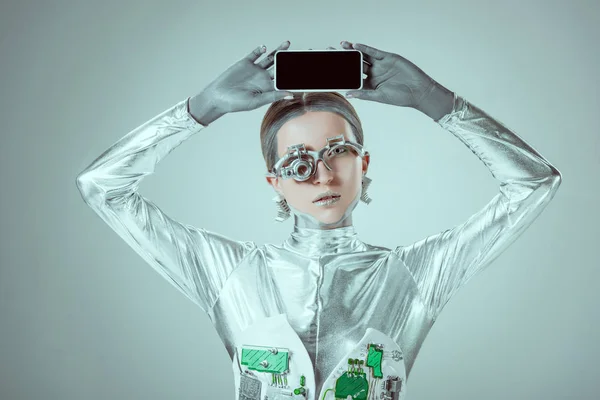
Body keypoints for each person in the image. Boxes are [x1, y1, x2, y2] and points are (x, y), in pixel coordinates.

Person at [76, 40, 562, 400]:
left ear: (364, 165)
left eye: (339, 151)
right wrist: (202, 108)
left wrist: (430, 97)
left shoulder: (410, 276)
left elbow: (535, 184)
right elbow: (103, 186)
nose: (323, 174)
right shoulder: (231, 273)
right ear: (275, 183)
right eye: (299, 162)